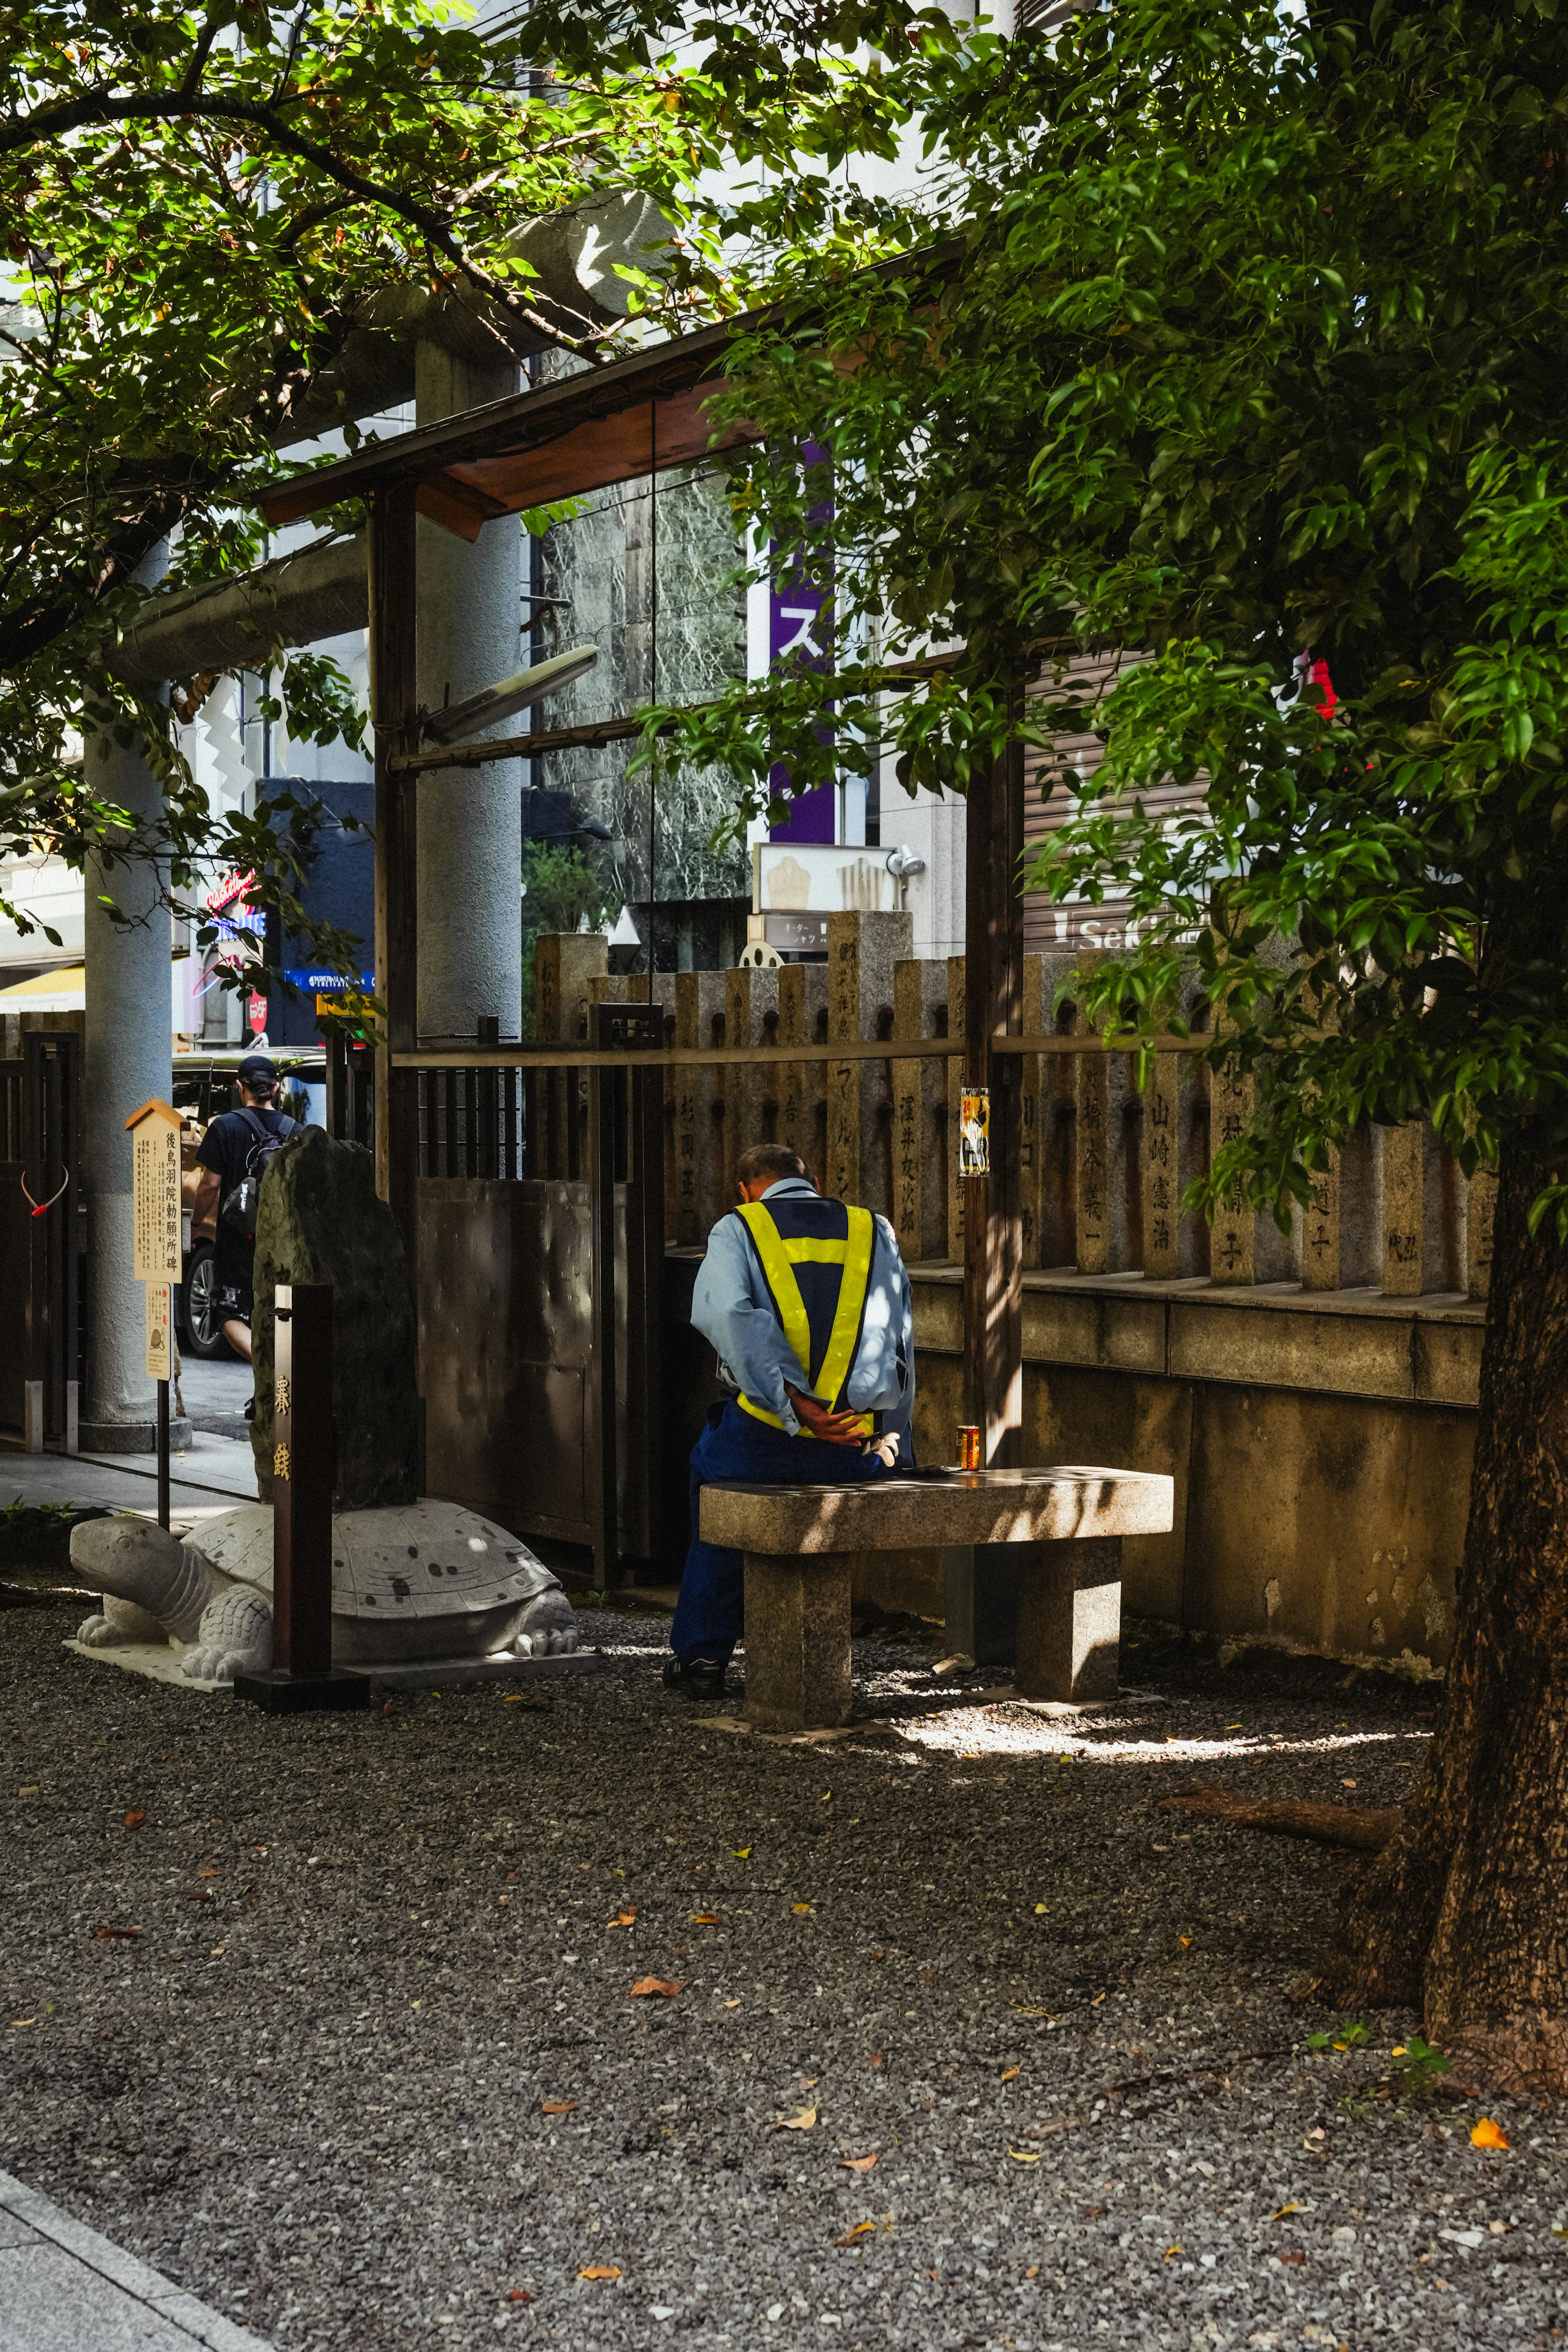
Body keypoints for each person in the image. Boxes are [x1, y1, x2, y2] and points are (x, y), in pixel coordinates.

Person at [666, 1142, 916, 1700]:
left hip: (766, 1440)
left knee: (714, 1485)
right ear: (814, 1179)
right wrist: (893, 1438)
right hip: (854, 1449)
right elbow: (901, 1338)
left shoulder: (740, 1228)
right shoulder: (874, 1229)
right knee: (762, 1471)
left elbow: (728, 1315)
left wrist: (795, 1405)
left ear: (745, 1189)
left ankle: (703, 1657)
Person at [191, 1054, 300, 1372]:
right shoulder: (296, 1131)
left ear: (240, 1087)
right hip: (282, 1240)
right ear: (276, 1088)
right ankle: (273, 1383)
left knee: (227, 1314)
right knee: (278, 1311)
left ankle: (269, 1367)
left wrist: (196, 1222)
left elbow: (210, 1185)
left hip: (237, 1239)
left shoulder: (225, 1126)